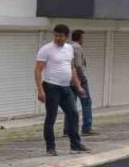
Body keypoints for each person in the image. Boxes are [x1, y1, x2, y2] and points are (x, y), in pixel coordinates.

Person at [34, 24, 90, 156]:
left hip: (66, 88)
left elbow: (72, 68)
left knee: (73, 114)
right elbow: (38, 69)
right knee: (51, 117)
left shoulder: (69, 48)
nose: (58, 38)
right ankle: (50, 147)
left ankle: (75, 145)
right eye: (56, 35)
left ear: (66, 37)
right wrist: (40, 90)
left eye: (61, 36)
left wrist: (78, 86)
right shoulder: (46, 49)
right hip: (51, 87)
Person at [70, 30, 98, 136]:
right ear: (80, 38)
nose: (83, 40)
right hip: (78, 79)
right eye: (83, 37)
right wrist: (82, 78)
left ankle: (68, 129)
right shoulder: (77, 47)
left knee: (70, 104)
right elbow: (78, 65)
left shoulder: (68, 46)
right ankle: (87, 127)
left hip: (69, 79)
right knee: (86, 102)